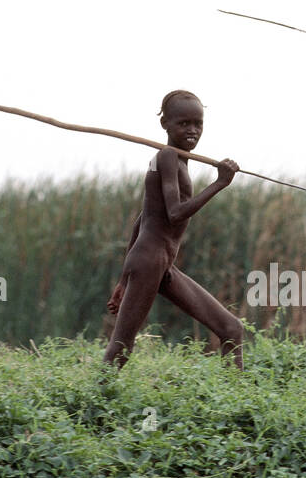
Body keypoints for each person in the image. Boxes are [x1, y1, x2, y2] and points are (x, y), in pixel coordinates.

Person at [103, 90, 245, 369]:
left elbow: (143, 218)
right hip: (149, 263)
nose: (192, 130)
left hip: (160, 265)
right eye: (184, 124)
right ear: (165, 124)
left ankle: (238, 409)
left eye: (198, 124)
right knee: (121, 347)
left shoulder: (178, 160)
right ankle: (91, 405)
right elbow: (175, 213)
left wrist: (123, 278)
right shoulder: (166, 157)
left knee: (231, 329)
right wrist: (220, 184)